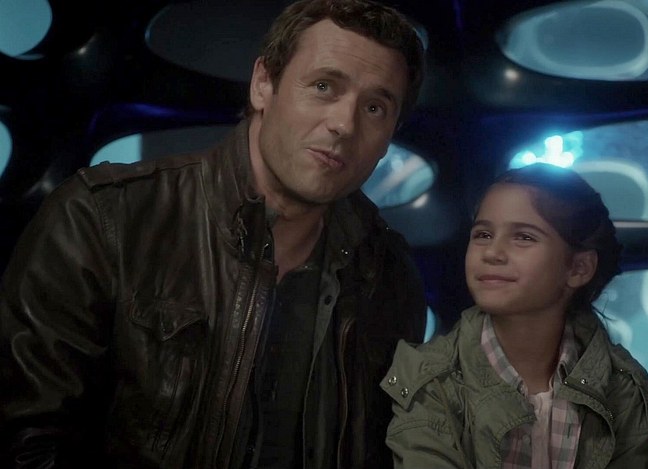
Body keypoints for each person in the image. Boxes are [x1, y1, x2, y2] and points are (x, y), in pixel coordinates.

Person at [0, 0, 427, 467]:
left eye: (375, 107)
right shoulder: (104, 219)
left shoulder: (388, 273)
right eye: (324, 86)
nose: (344, 124)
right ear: (263, 83)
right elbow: (29, 444)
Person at [381, 163, 648, 468]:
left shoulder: (622, 386)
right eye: (483, 234)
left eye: (523, 237)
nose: (492, 252)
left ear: (579, 268)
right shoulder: (429, 380)